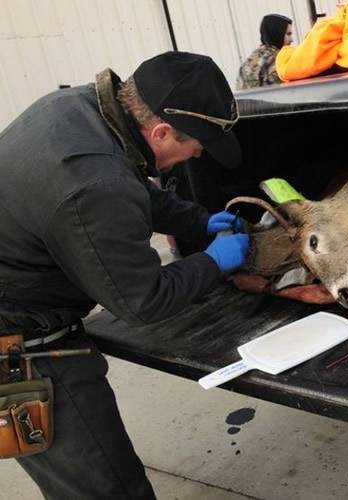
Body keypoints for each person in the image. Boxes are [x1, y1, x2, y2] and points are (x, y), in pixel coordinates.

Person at [0, 51, 250, 499]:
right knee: (105, 488)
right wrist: (214, 261)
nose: (197, 156)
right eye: (197, 145)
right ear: (160, 131)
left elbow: (128, 185)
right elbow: (143, 301)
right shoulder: (94, 183)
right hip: (18, 354)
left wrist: (196, 221)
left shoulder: (81, 109)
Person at [236, 14, 293, 89]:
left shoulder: (251, 59)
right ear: (277, 34)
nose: (292, 39)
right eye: (288, 34)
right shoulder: (277, 60)